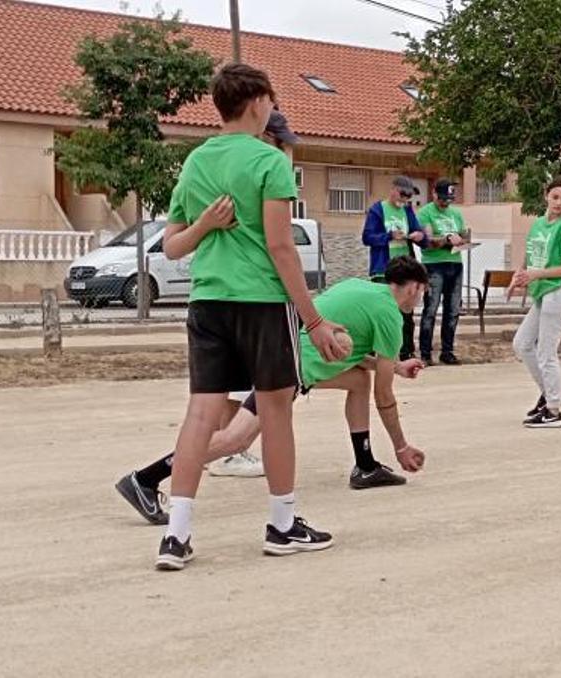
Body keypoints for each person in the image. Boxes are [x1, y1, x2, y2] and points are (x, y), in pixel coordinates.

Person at [153, 63, 346, 571]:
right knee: (276, 409)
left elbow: (172, 246)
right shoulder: (269, 162)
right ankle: (282, 525)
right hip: (261, 302)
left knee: (200, 413)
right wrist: (314, 320)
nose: (273, 111)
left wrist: (203, 225)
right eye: (273, 102)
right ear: (258, 101)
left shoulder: (194, 163)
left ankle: (176, 535)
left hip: (208, 300)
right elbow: (282, 247)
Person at [116, 257, 430, 525]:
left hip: (283, 351)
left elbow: (349, 351)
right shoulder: (390, 313)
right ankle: (145, 478)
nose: (420, 299)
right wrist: (401, 446)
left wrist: (398, 367)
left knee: (359, 380)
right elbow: (385, 396)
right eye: (422, 293)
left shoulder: (361, 288)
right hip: (289, 365)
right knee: (235, 439)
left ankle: (365, 466)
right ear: (414, 287)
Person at [207, 107, 302, 479]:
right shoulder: (267, 170)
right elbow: (280, 248)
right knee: (256, 392)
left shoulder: (211, 164)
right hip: (256, 293)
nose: (287, 153)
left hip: (216, 292)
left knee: (225, 387)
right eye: (284, 144)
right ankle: (226, 452)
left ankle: (229, 450)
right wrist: (310, 314)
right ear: (267, 137)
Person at [508, 177, 561, 429]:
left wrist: (536, 275)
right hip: (542, 294)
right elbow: (529, 256)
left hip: (559, 292)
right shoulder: (539, 224)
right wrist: (518, 276)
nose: (559, 202)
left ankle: (553, 410)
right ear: (546, 196)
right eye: (555, 197)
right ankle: (548, 394)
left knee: (546, 352)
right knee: (522, 344)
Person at [363, 176, 427, 361]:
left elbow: (423, 237)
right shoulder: (378, 209)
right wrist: (389, 236)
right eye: (402, 194)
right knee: (382, 311)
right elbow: (367, 237)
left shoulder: (407, 211)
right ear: (393, 189)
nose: (405, 199)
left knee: (406, 312)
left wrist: (419, 236)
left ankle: (406, 350)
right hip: (383, 270)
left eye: (408, 196)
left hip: (405, 271)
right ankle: (375, 352)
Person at [418, 178, 469, 365]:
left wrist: (463, 239)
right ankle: (425, 353)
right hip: (434, 264)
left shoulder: (456, 214)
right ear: (434, 194)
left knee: (453, 310)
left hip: (455, 263)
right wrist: (448, 239)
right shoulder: (425, 213)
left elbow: (464, 233)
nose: (446, 202)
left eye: (449, 199)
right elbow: (428, 240)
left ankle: (447, 351)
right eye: (442, 199)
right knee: (430, 309)